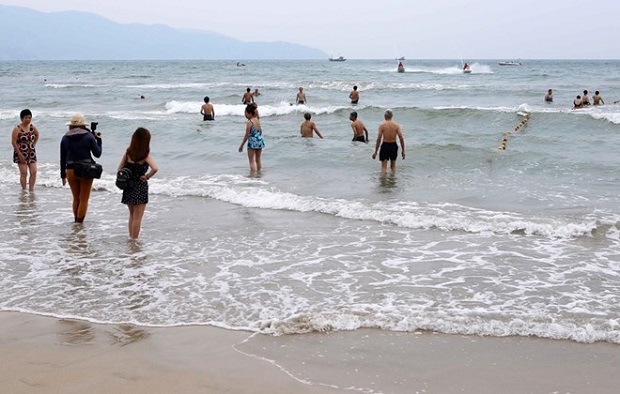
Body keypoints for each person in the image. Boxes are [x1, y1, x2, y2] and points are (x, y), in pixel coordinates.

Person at [59, 113, 102, 223]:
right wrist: (99, 141)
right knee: (84, 199)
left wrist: (63, 176)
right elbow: (97, 153)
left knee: (76, 198)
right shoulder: (89, 136)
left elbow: (62, 159)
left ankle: (76, 223)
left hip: (70, 170)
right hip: (86, 170)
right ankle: (79, 224)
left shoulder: (65, 138)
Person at [117, 127, 158, 240]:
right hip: (140, 186)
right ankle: (134, 241)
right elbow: (155, 168)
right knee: (138, 217)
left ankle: (131, 237)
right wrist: (147, 176)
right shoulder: (145, 156)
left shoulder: (128, 153)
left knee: (131, 215)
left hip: (128, 185)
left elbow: (119, 169)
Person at [11, 109, 39, 192]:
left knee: (34, 172)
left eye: (29, 118)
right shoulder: (17, 128)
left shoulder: (32, 127)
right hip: (21, 152)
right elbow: (13, 142)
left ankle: (31, 190)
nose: (28, 119)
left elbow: (37, 135)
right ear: (21, 118)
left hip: (31, 152)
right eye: (26, 118)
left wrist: (33, 144)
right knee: (24, 173)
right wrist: (19, 154)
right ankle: (24, 191)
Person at [372, 110, 405, 174]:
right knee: (393, 166)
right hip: (393, 145)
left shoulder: (382, 125)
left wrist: (375, 151)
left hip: (385, 145)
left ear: (385, 116)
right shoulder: (396, 125)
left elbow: (379, 139)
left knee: (383, 167)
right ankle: (392, 181)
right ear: (392, 116)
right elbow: (401, 138)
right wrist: (403, 151)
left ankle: (383, 182)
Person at [238, 103, 264, 172]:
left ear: (249, 113)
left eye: (245, 113)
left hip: (252, 142)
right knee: (258, 160)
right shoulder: (257, 120)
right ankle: (259, 173)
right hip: (259, 141)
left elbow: (246, 135)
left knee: (251, 161)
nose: (245, 115)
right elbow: (261, 131)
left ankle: (253, 177)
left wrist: (241, 145)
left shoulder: (249, 122)